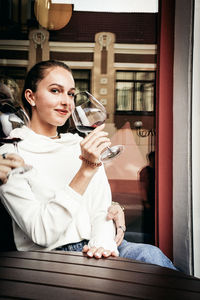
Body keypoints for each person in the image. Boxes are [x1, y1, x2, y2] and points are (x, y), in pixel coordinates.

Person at [0, 60, 177, 269]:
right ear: (31, 97)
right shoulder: (11, 154)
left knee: (151, 255)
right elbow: (42, 232)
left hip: (97, 246)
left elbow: (101, 208)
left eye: (71, 94)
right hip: (50, 258)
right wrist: (86, 169)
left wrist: (103, 244)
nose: (66, 101)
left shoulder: (79, 144)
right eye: (55, 90)